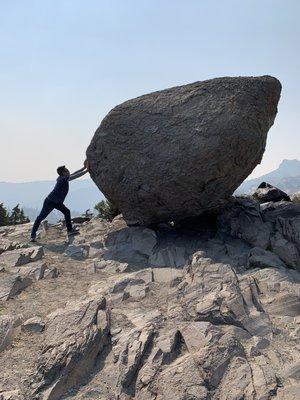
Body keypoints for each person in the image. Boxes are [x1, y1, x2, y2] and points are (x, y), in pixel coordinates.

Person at [30, 160, 89, 242]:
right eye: (66, 171)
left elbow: (74, 173)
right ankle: (32, 236)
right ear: (63, 173)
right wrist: (86, 171)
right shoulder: (63, 179)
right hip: (50, 202)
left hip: (57, 202)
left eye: (68, 170)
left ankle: (70, 230)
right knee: (40, 217)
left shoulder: (63, 178)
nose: (68, 171)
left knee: (67, 212)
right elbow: (75, 176)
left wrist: (83, 168)